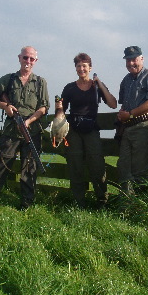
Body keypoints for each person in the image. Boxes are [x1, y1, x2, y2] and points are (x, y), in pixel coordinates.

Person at [0, 46, 50, 209]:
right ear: (19, 58)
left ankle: (26, 203)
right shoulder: (8, 79)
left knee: (29, 167)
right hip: (11, 129)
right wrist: (5, 106)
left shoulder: (40, 82)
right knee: (2, 163)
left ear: (36, 61)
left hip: (31, 130)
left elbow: (44, 108)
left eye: (31, 59)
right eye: (25, 58)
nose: (28, 61)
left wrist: (29, 121)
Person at [59, 53, 117, 208]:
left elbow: (113, 104)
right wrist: (58, 116)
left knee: (97, 166)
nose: (81, 68)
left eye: (84, 65)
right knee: (75, 165)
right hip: (73, 131)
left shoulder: (96, 87)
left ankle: (102, 201)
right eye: (78, 66)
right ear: (76, 68)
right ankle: (79, 203)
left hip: (91, 129)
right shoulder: (69, 88)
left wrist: (100, 84)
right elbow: (61, 111)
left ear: (90, 68)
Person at [116, 46, 148, 195]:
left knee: (139, 170)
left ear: (141, 58)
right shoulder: (126, 80)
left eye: (134, 59)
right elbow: (123, 103)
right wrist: (123, 114)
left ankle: (142, 206)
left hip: (145, 126)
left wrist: (129, 114)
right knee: (123, 167)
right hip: (128, 128)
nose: (131, 63)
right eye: (128, 60)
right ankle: (127, 204)